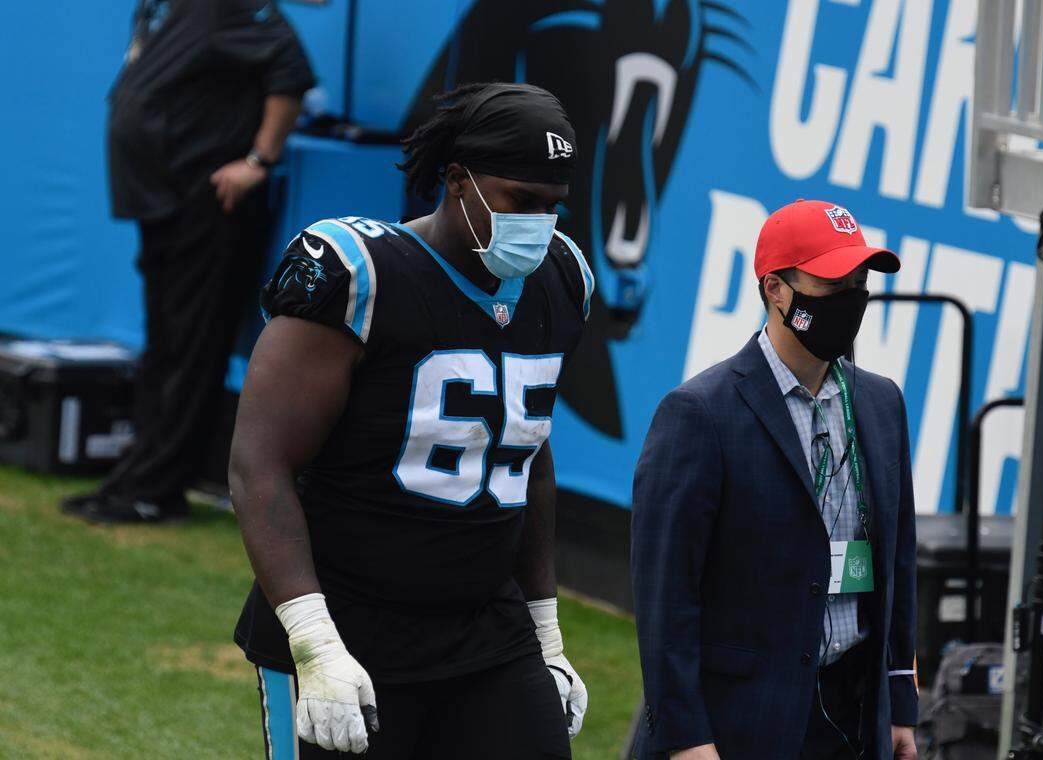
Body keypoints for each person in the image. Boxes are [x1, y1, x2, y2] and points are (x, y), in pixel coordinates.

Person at [229, 83, 593, 758]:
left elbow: (529, 460)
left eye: (553, 207)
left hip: (487, 627)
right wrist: (314, 642)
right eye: (520, 200)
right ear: (458, 181)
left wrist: (546, 631)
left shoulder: (561, 281)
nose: (540, 225)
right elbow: (260, 465)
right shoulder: (361, 274)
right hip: (352, 625)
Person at [630, 199, 919, 760]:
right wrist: (686, 737)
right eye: (833, 280)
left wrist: (899, 702)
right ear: (776, 290)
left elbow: (898, 563)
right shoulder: (699, 413)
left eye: (859, 279)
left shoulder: (882, 403)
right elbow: (665, 595)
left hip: (854, 720)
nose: (852, 296)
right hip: (740, 726)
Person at [62, 0, 314, 523]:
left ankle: (158, 490)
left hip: (209, 203)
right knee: (164, 345)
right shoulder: (160, 7)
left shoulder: (232, 7)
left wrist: (257, 161)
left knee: (190, 347)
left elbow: (290, 74)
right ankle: (134, 479)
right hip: (161, 201)